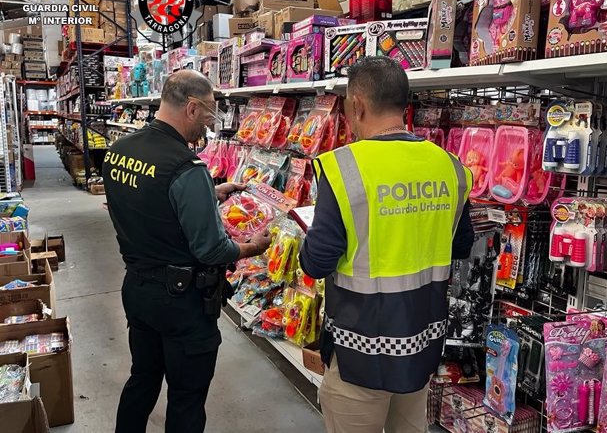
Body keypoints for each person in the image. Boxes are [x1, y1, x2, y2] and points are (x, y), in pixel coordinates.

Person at [299, 56, 474, 433]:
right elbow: (460, 245)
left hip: (358, 352)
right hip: (422, 346)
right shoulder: (451, 167)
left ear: (357, 105)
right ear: (404, 105)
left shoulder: (343, 168)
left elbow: (317, 262)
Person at [103, 70, 272, 433]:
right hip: (182, 304)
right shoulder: (187, 167)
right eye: (210, 115)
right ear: (192, 108)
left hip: (138, 290)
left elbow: (151, 202)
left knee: (142, 379)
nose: (209, 127)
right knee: (186, 397)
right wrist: (250, 247)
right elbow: (211, 249)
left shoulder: (119, 151)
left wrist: (210, 193)